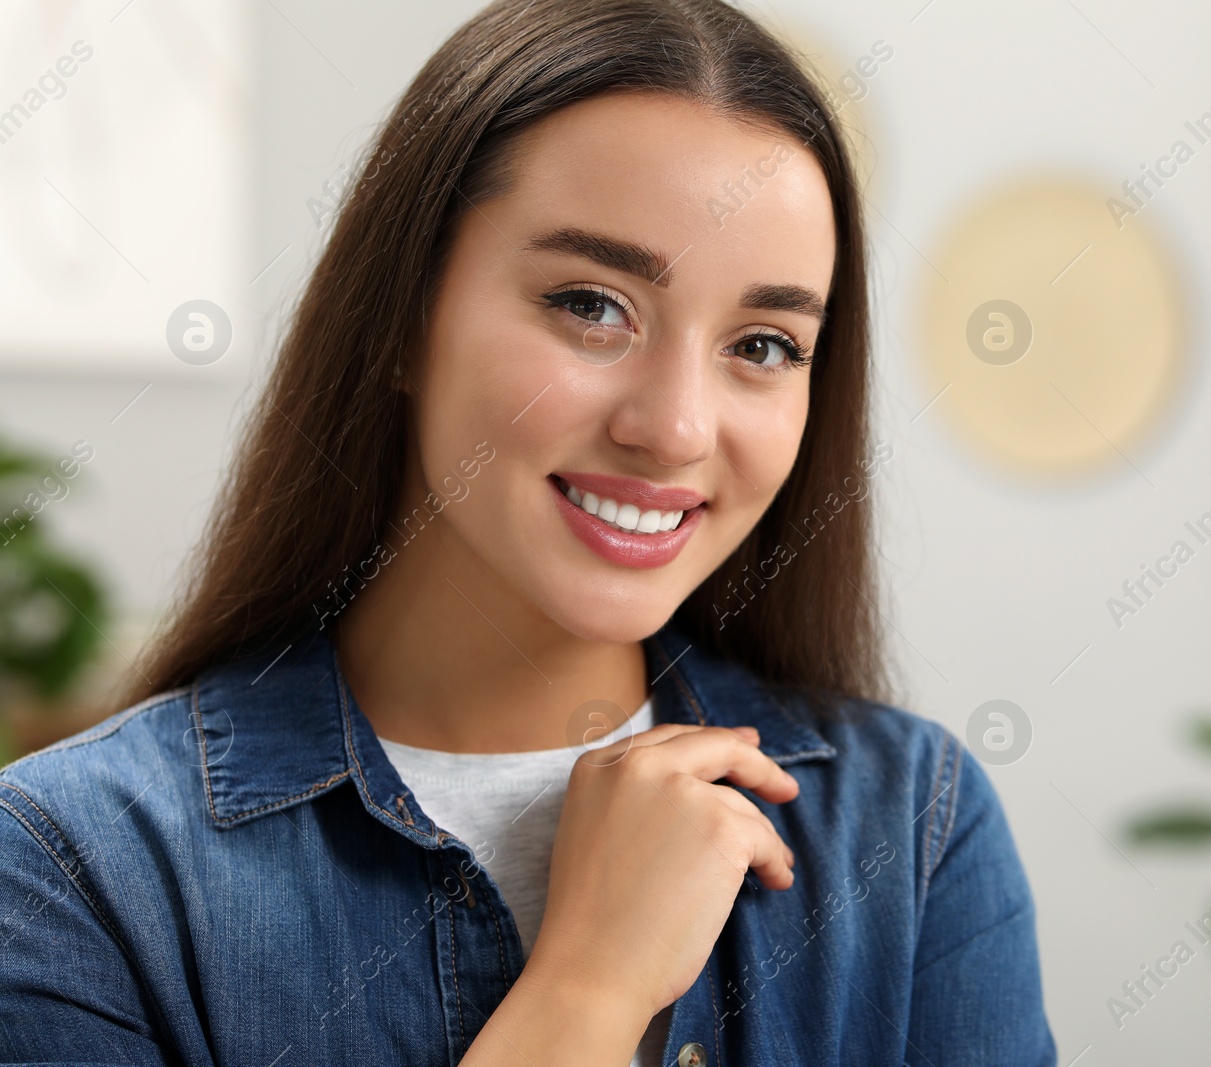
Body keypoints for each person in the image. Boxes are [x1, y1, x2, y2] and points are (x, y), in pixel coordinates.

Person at [0, 0, 1056, 1063]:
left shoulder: (911, 826)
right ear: (403, 315)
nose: (676, 427)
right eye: (592, 305)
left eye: (765, 344)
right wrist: (591, 987)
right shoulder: (70, 864)